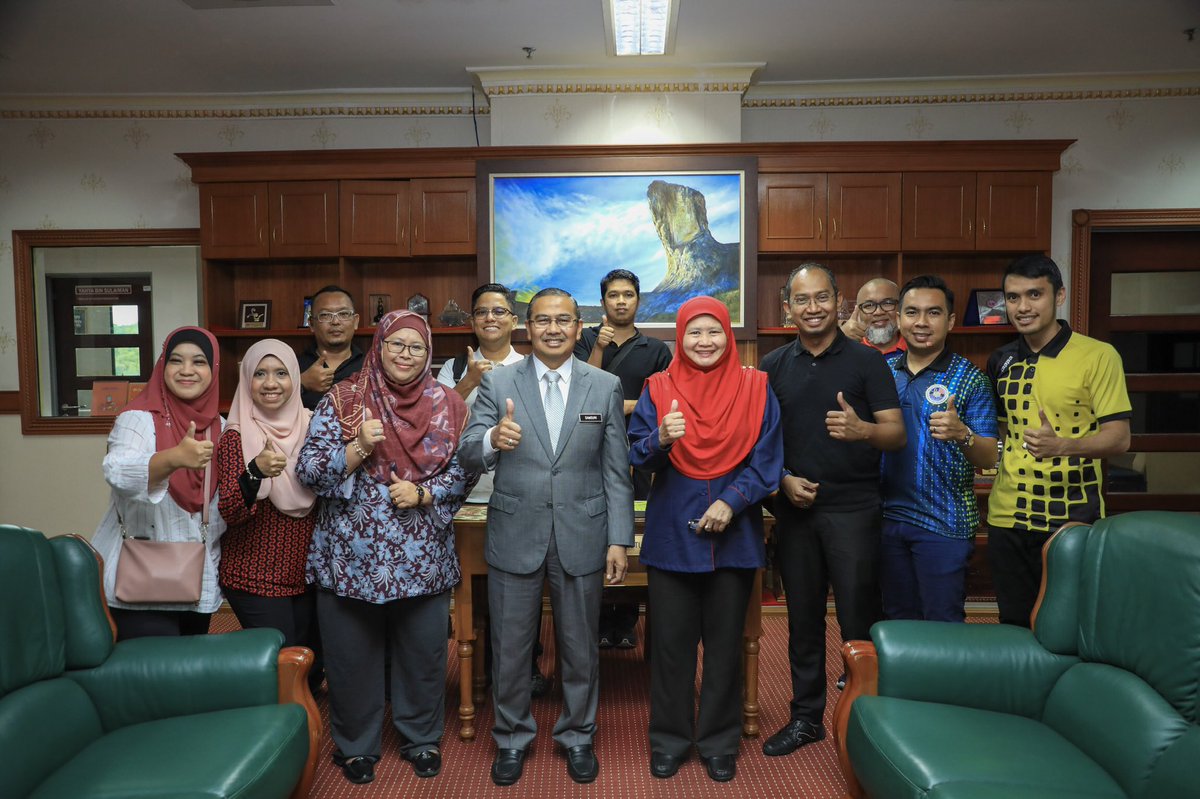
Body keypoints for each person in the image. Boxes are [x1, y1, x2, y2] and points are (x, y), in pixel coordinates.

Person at [460, 288, 634, 787]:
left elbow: (616, 470)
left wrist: (618, 539)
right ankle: (512, 737)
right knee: (511, 648)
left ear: (579, 327)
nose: (553, 329)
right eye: (542, 321)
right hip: (516, 531)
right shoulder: (499, 382)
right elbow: (467, 450)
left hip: (583, 532)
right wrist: (492, 439)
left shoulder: (605, 385)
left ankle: (578, 735)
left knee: (580, 647)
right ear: (527, 328)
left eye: (563, 321)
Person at [297, 310, 476, 784]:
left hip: (422, 555)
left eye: (416, 347)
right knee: (350, 656)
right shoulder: (344, 399)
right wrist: (356, 448)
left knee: (423, 654)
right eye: (396, 344)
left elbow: (466, 470)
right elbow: (309, 471)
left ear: (428, 352)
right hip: (350, 557)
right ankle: (356, 745)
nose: (405, 354)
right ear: (378, 345)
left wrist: (426, 493)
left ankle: (421, 738)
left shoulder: (448, 403)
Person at [628, 296, 783, 783]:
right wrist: (661, 438)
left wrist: (732, 501)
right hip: (672, 535)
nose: (704, 341)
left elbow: (768, 460)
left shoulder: (757, 386)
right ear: (680, 338)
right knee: (670, 647)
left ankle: (719, 742)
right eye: (694, 333)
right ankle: (669, 741)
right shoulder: (658, 387)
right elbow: (637, 455)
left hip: (734, 536)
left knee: (725, 646)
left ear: (727, 336)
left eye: (713, 331)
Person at [759, 263, 905, 756]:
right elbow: (761, 442)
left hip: (855, 511)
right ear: (788, 308)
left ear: (838, 302)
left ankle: (868, 722)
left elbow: (896, 434)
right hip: (796, 512)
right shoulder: (774, 365)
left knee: (858, 621)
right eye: (802, 300)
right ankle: (806, 719)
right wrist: (781, 479)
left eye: (821, 297)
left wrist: (863, 430)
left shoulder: (867, 361)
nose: (813, 308)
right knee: (802, 622)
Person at [987, 255, 1130, 627]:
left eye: (1035, 294)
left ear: (1059, 296)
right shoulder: (1000, 360)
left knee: (1068, 627)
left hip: (1071, 517)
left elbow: (1119, 439)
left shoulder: (1098, 356)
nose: (1023, 306)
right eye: (1013, 297)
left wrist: (1062, 446)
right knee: (1014, 626)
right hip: (1008, 516)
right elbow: (1005, 431)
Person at [435, 282, 552, 697]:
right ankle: (483, 669)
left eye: (499, 311)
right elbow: (435, 422)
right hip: (464, 492)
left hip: (518, 489)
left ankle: (526, 663)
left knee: (523, 579)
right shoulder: (453, 367)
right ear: (472, 321)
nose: (490, 318)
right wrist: (469, 381)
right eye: (482, 312)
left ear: (515, 321)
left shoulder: (531, 364)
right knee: (476, 585)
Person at [91, 326, 225, 640]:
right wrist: (173, 458)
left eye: (199, 362)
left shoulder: (220, 425)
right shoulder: (137, 418)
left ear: (214, 369)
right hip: (139, 580)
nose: (187, 370)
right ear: (162, 366)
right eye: (176, 360)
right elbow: (117, 471)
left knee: (190, 665)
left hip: (195, 578)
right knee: (149, 668)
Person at [879, 276, 999, 622]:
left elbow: (989, 456)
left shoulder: (970, 378)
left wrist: (962, 434)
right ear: (898, 319)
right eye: (912, 312)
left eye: (933, 313)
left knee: (942, 625)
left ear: (950, 321)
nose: (921, 322)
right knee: (896, 624)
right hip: (886, 520)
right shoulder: (882, 373)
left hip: (944, 524)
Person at [575, 268, 672, 650]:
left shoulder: (656, 350)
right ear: (602, 301)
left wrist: (621, 406)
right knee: (593, 529)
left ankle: (627, 620)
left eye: (627, 295)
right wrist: (599, 347)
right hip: (587, 450)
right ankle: (598, 618)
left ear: (638, 300)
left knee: (632, 530)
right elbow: (581, 390)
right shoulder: (585, 339)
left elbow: (661, 400)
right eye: (613, 295)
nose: (620, 301)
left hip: (638, 452)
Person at [216, 339, 317, 646]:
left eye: (281, 373)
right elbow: (231, 510)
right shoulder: (235, 436)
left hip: (307, 576)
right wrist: (255, 471)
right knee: (281, 660)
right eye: (260, 373)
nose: (270, 383)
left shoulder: (314, 427)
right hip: (254, 577)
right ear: (247, 379)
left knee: (310, 662)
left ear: (295, 378)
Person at [299, 285, 364, 410]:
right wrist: (301, 383)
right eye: (325, 315)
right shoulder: (293, 367)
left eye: (343, 314)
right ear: (311, 324)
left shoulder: (371, 366)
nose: (335, 322)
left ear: (355, 321)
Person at [840, 277, 906, 356]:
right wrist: (839, 340)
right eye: (869, 305)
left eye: (887, 303)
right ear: (858, 312)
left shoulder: (914, 346)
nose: (878, 312)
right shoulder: (846, 346)